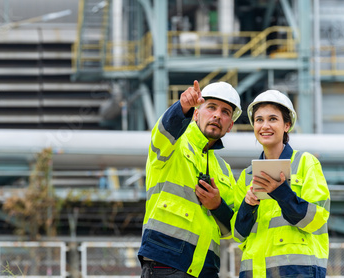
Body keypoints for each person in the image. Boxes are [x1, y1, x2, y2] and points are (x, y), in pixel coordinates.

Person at [138, 80, 242, 277]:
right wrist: (182, 107)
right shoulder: (174, 142)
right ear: (196, 113)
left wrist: (217, 205)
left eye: (225, 112)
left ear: (230, 126)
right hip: (166, 262)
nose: (217, 115)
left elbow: (231, 230)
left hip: (206, 268)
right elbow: (163, 132)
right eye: (211, 107)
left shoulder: (224, 170)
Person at [232, 90, 330, 278]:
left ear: (287, 125)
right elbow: (238, 233)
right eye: (259, 120)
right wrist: (248, 205)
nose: (265, 125)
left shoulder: (305, 163)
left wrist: (282, 193)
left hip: (296, 271)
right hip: (254, 272)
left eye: (273, 119)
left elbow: (317, 219)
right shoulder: (246, 175)